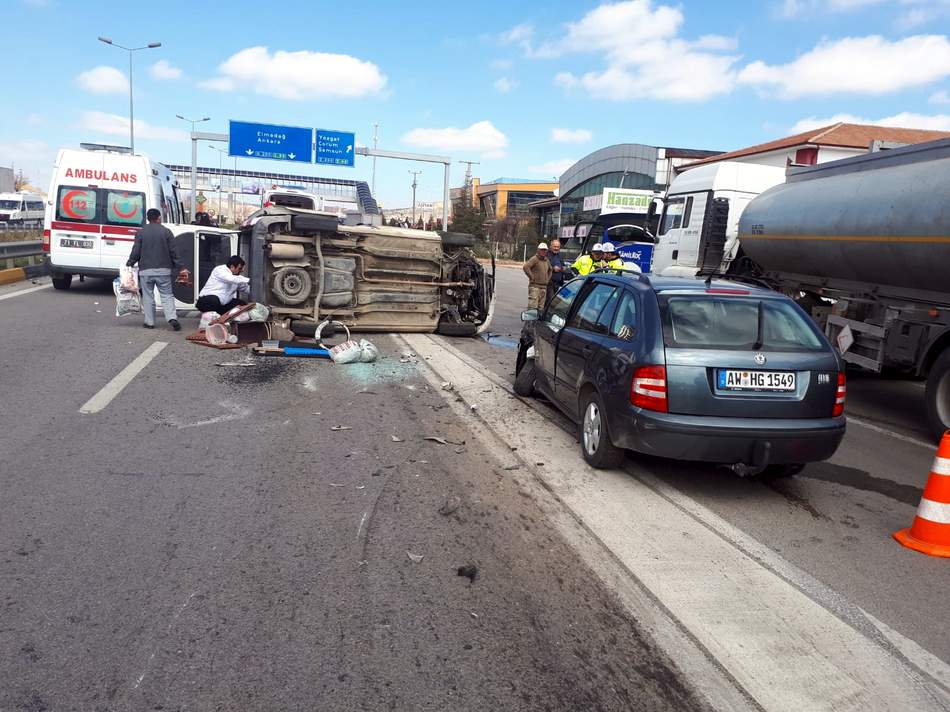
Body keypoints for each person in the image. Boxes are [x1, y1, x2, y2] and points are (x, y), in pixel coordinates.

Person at [126, 208, 189, 331]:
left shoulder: (141, 232)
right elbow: (174, 251)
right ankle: (172, 318)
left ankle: (149, 322)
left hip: (146, 271)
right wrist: (180, 266)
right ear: (159, 218)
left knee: (148, 296)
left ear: (147, 218)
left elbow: (136, 251)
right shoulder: (166, 232)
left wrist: (130, 262)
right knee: (166, 295)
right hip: (164, 271)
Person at [523, 242, 553, 310]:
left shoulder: (546, 260)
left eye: (545, 250)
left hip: (544, 287)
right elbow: (526, 267)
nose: (544, 251)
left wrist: (547, 280)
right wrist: (532, 277)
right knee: (533, 307)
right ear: (538, 250)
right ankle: (530, 320)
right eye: (542, 249)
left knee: (540, 308)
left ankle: (537, 320)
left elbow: (550, 270)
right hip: (535, 287)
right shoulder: (535, 259)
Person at [546, 239, 567, 304]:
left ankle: (545, 312)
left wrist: (564, 268)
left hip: (558, 283)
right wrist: (552, 268)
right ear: (551, 246)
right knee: (551, 300)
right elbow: (542, 267)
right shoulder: (546, 255)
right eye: (555, 246)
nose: (556, 248)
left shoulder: (560, 255)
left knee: (553, 300)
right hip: (549, 282)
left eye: (558, 247)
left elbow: (562, 265)